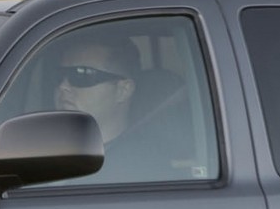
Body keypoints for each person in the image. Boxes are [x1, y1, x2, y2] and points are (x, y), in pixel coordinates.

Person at [49, 33, 187, 184]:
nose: (63, 86)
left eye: (82, 75)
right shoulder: (39, 153)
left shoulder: (144, 171)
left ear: (123, 90)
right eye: (60, 75)